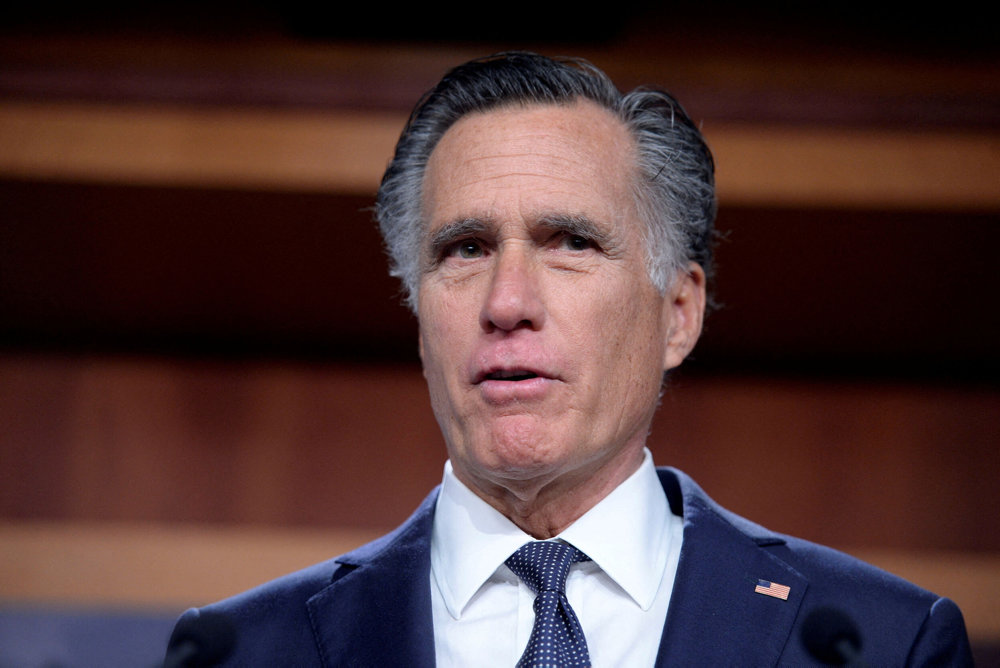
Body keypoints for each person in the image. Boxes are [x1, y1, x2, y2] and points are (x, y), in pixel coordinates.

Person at [166, 52, 972, 666]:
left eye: (572, 243)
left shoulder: (881, 642)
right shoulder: (243, 650)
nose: (506, 301)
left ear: (679, 314)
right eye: (465, 248)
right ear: (419, 315)